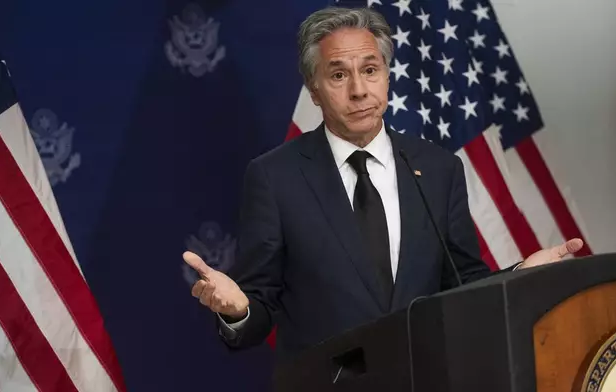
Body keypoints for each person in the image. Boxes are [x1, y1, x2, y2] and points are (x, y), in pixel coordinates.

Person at [182, 6, 583, 360]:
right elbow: (259, 306)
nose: (359, 90)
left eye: (370, 70)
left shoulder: (439, 168)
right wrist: (238, 310)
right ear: (314, 89)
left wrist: (518, 272)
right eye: (339, 75)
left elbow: (464, 287)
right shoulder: (274, 177)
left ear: (387, 77)